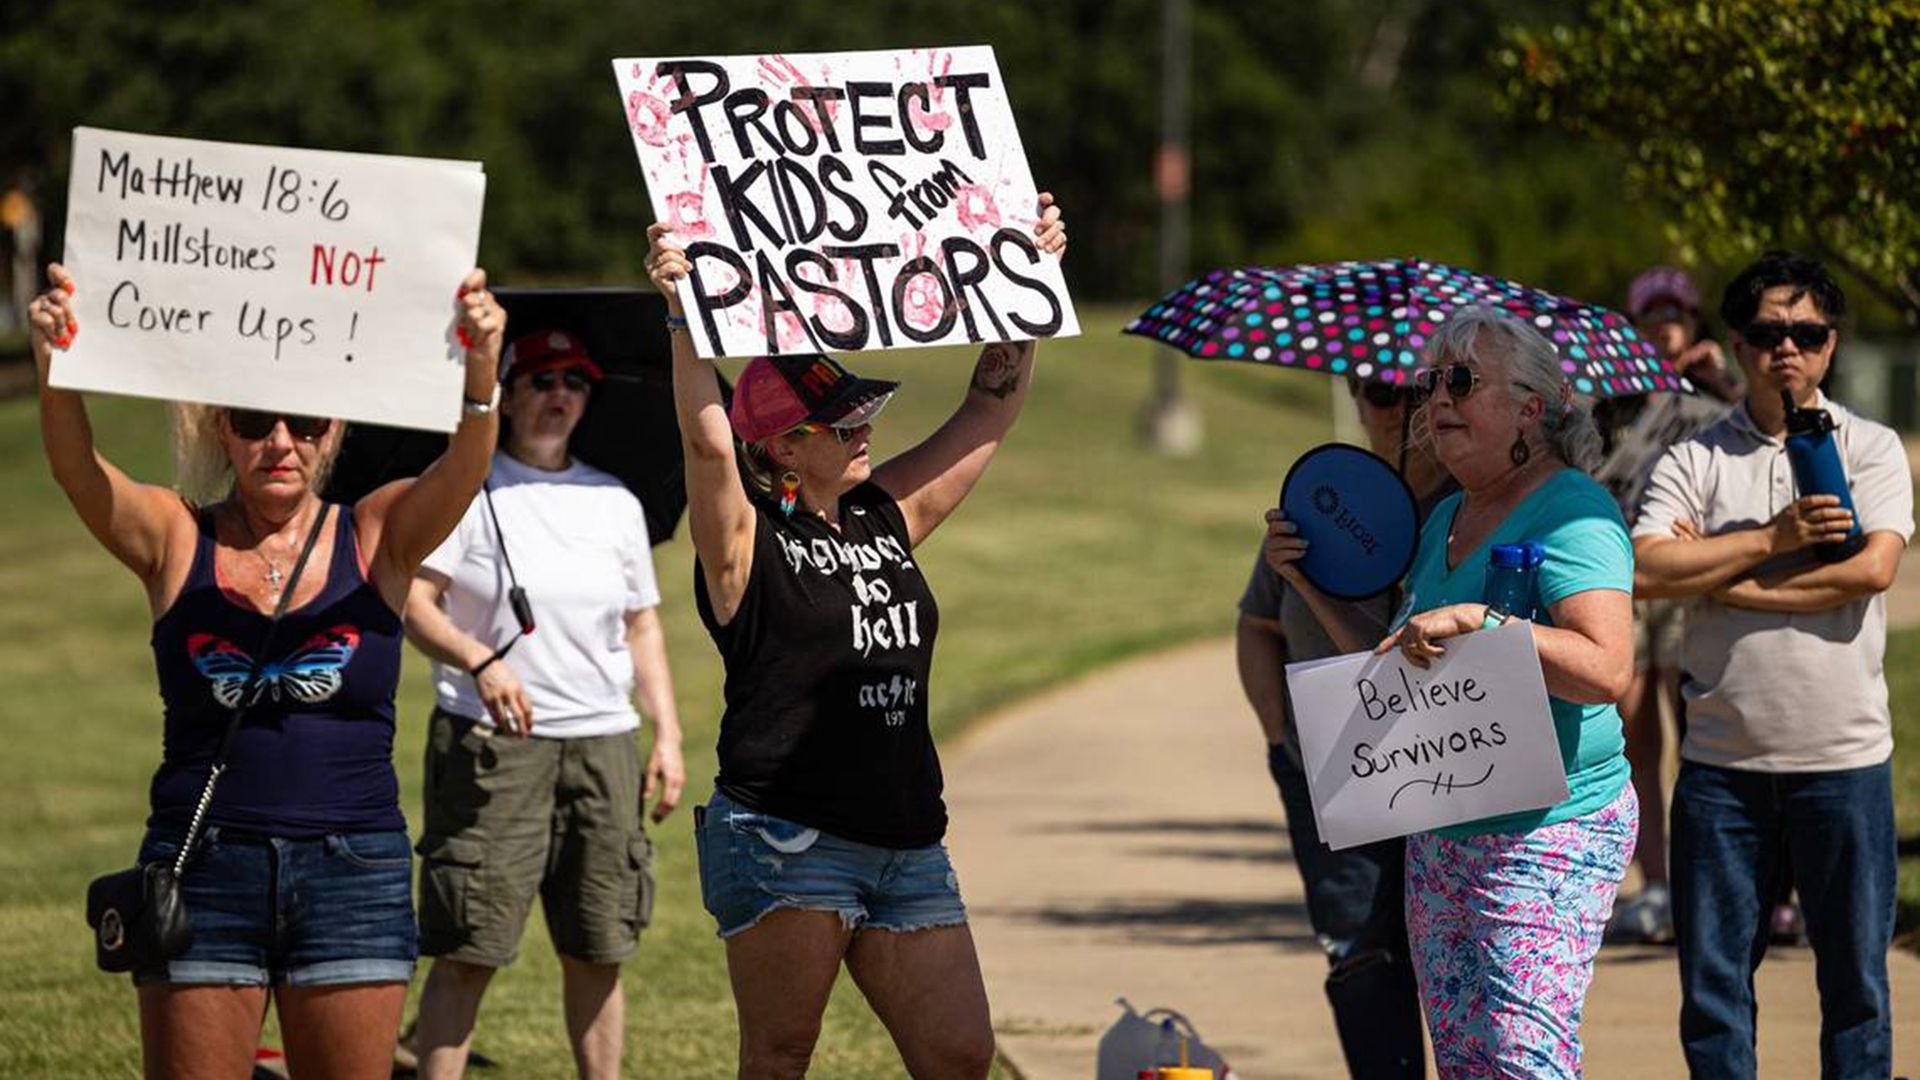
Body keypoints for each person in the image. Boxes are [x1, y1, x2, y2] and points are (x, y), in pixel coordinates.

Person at [29, 262, 504, 1077]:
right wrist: (56, 367)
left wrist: (483, 373)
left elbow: (462, 470)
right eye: (254, 420)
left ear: (333, 429)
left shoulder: (375, 532)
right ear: (223, 430)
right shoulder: (176, 537)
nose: (280, 442)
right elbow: (81, 473)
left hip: (352, 869)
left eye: (304, 421)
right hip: (202, 863)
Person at [645, 194, 1065, 1079]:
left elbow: (985, 413)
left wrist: (1031, 284)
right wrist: (684, 316)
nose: (863, 424)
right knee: (782, 1054)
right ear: (785, 449)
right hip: (786, 835)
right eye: (839, 420)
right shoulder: (743, 545)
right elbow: (708, 447)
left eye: (860, 408)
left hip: (907, 834)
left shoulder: (882, 515)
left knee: (958, 1053)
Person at [1269, 304, 1637, 1078]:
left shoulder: (1576, 510)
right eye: (1430, 381)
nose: (1436, 400)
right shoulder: (1445, 520)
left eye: (1462, 381)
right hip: (1445, 836)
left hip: (1549, 831)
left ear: (1530, 410)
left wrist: (1485, 620)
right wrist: (1303, 581)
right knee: (1470, 1061)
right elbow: (1398, 669)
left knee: (1522, 1058)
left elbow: (1607, 667)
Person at [1631, 251, 1909, 1079]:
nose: (1786, 349)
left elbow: (1870, 571)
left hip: (1845, 762)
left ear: (1830, 345)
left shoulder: (1870, 447)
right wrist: (1772, 543)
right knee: (1715, 994)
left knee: (1856, 989)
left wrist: (1723, 582)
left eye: (1807, 333)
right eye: (1765, 332)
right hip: (1723, 771)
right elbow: (1645, 572)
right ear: (1739, 344)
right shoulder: (1696, 458)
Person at [404, 328, 685, 1079]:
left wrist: (669, 735)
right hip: (493, 745)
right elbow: (414, 603)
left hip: (604, 744)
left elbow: (641, 624)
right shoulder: (464, 488)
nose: (559, 394)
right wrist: (479, 661)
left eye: (575, 381)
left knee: (600, 945)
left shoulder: (615, 500)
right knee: (470, 946)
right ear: (506, 392)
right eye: (541, 379)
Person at [1237, 377, 1451, 1079]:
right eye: (1376, 389)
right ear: (1355, 399)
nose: (1397, 406)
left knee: (1453, 954)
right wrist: (1280, 742)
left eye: (1418, 388)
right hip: (1324, 769)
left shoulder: (1464, 509)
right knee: (1358, 952)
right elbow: (1259, 625)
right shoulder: (1322, 496)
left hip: (1441, 767)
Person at [1593, 266, 1740, 945]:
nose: (1664, 327)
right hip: (1623, 575)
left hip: (1689, 579)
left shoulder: (1718, 395)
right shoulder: (1614, 398)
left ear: (1695, 322)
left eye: (1674, 315)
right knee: (1636, 733)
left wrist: (1722, 381)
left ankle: (1711, 881)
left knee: (1702, 730)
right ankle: (1656, 884)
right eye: (1651, 316)